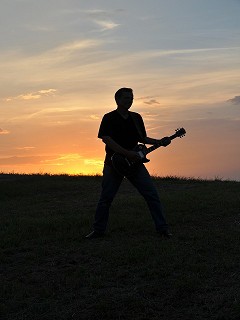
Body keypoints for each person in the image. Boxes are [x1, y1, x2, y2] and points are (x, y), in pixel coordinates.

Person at [86, 87, 172, 239]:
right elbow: (106, 139)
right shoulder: (109, 118)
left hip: (135, 164)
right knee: (106, 198)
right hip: (113, 164)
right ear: (117, 100)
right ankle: (98, 231)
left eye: (131, 98)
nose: (129, 101)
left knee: (151, 194)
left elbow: (142, 138)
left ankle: (162, 229)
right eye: (126, 98)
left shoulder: (136, 117)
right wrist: (127, 153)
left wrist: (159, 141)